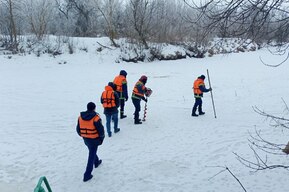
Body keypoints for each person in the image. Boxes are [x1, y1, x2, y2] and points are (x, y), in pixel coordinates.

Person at [76, 102, 105, 182]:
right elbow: (101, 130)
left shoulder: (80, 117)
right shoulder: (96, 118)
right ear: (94, 108)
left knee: (92, 151)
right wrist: (101, 138)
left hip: (86, 138)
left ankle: (96, 162)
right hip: (94, 139)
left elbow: (78, 129)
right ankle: (87, 174)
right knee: (91, 154)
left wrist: (83, 135)